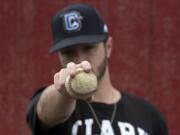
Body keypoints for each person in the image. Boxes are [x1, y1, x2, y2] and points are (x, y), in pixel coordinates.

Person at [26, 3, 168, 135]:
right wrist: (65, 93)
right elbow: (45, 112)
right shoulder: (58, 102)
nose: (80, 60)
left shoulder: (148, 115)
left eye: (88, 48)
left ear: (108, 47)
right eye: (68, 52)